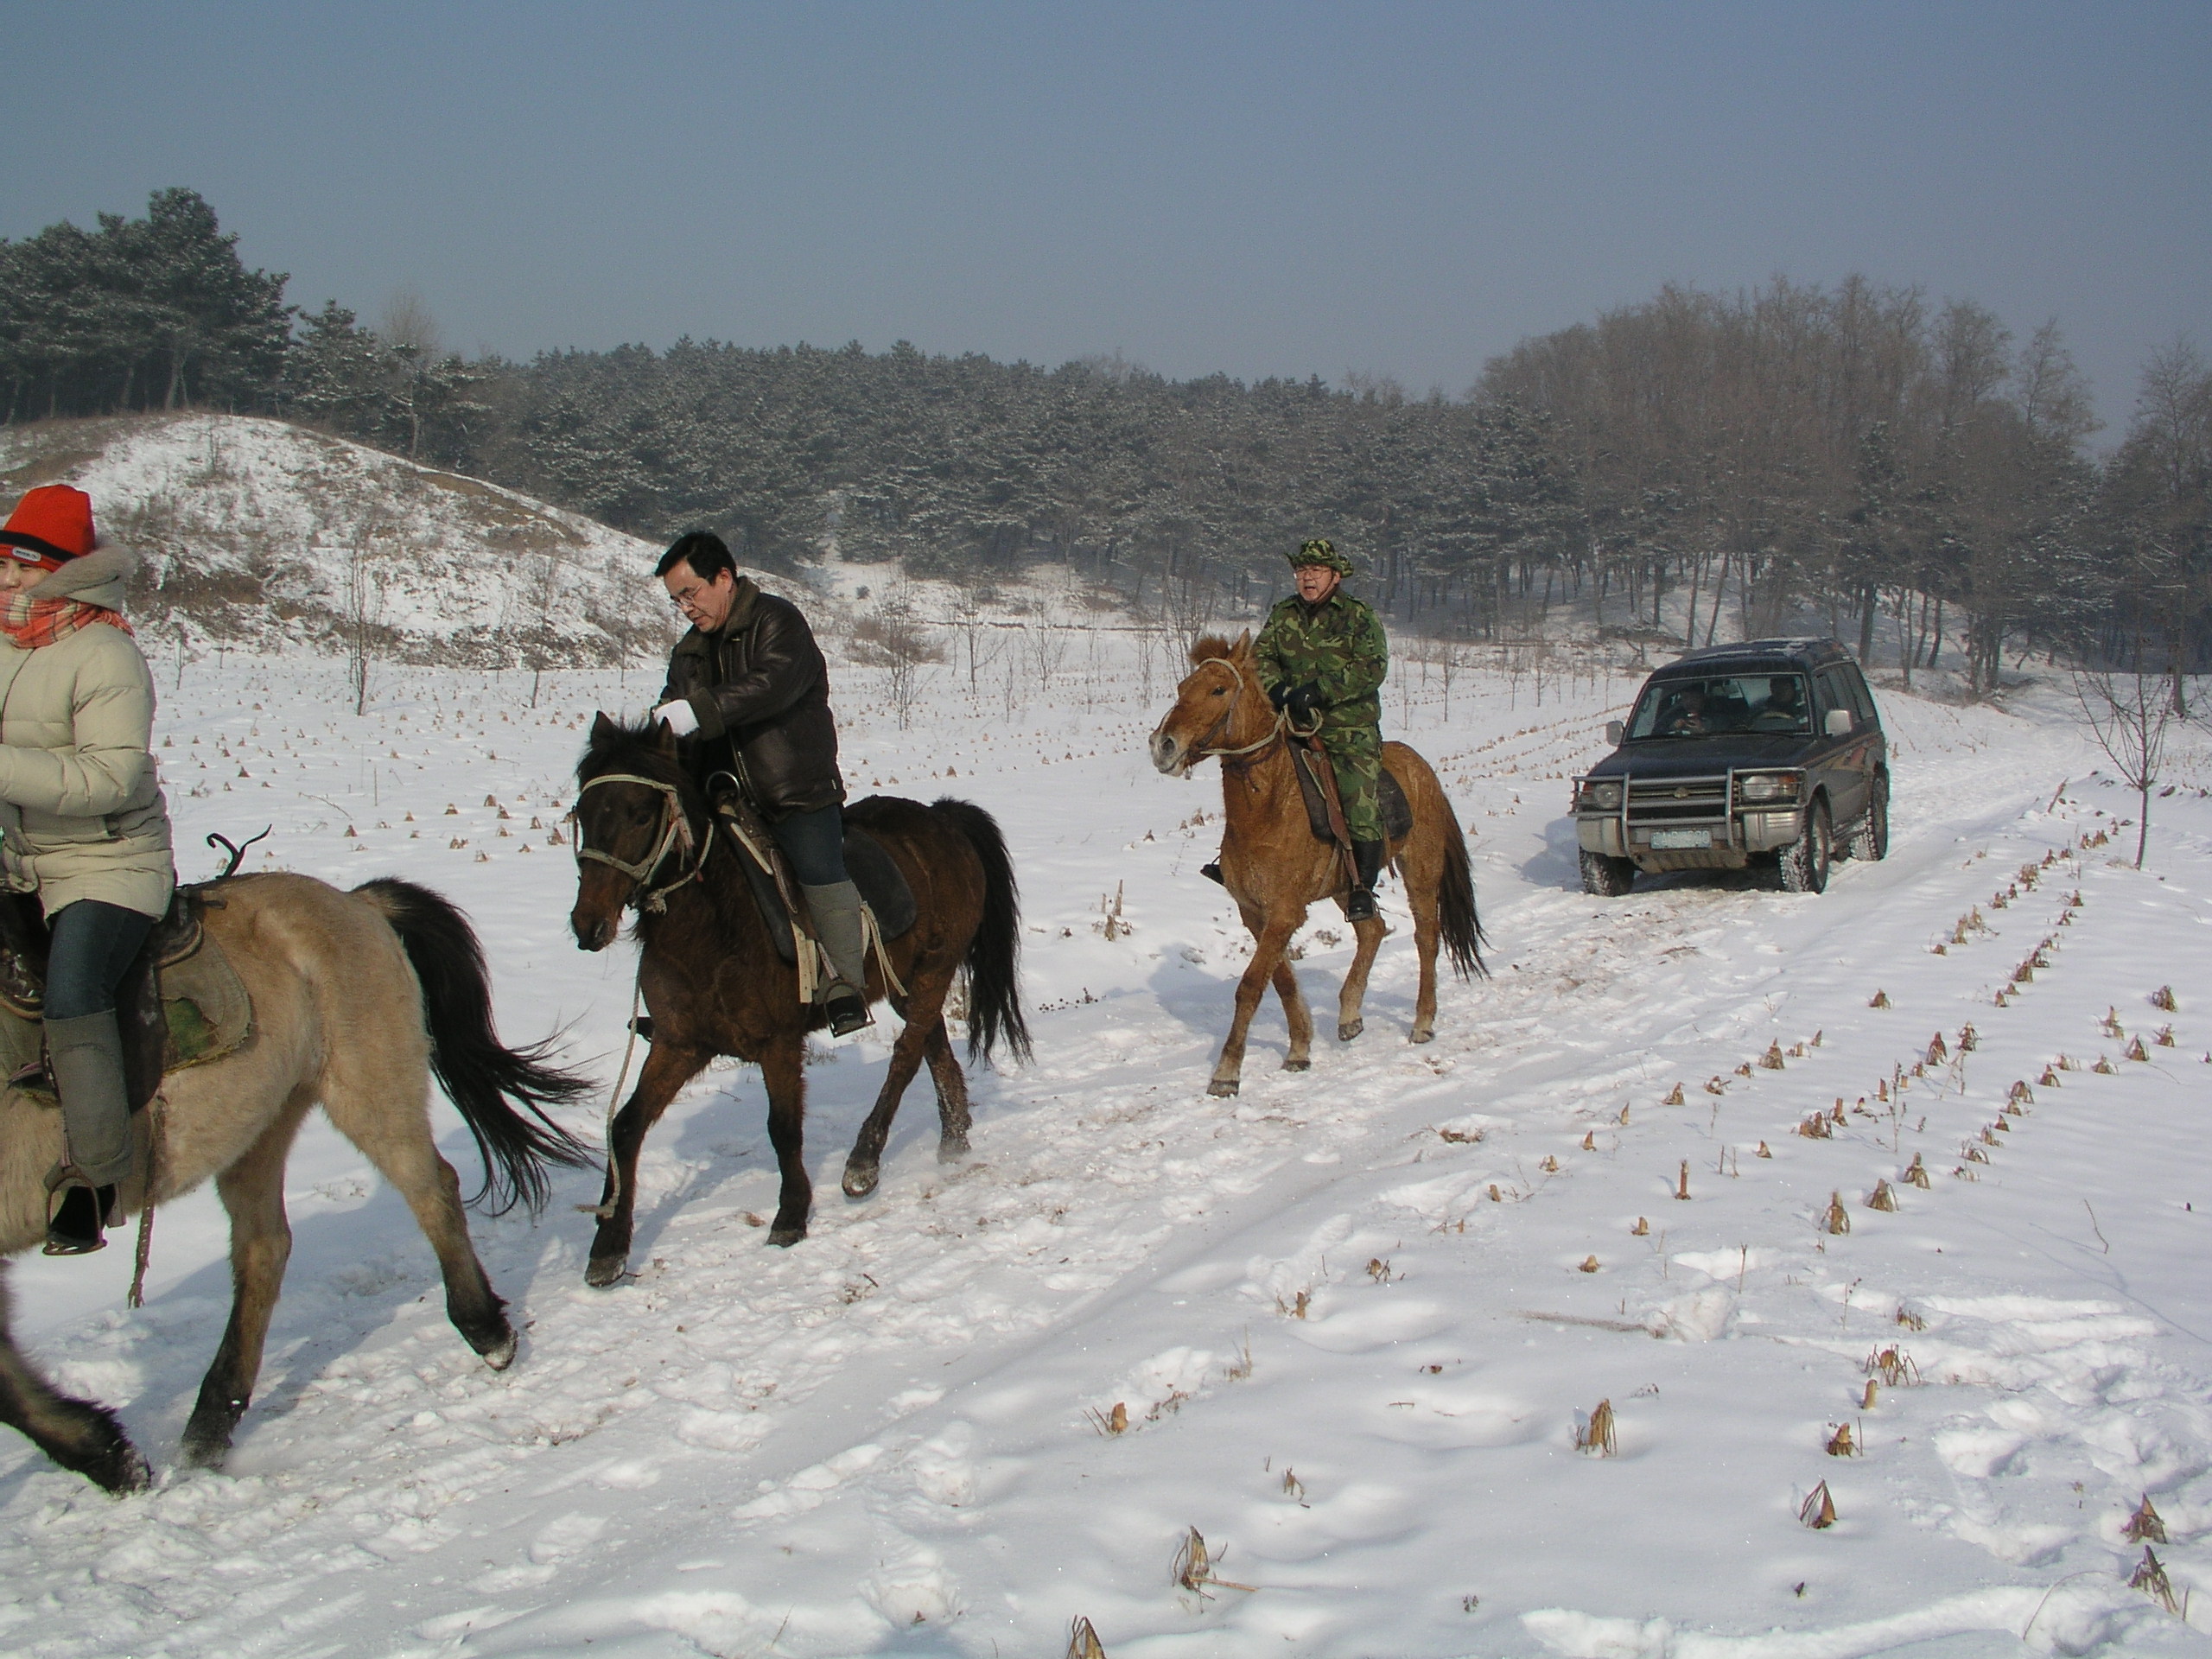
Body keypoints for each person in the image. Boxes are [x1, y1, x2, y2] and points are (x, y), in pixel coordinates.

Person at [0, 486, 175, 1254]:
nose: (6, 577)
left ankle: (95, 1178)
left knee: (76, 990)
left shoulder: (107, 653)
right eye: (2, 561)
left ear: (66, 573)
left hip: (107, 862)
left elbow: (108, 780)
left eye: (21, 564)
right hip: (18, 857)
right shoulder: (3, 638)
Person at [650, 531, 872, 1036]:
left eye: (691, 593)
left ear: (723, 578)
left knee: (818, 870)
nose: (685, 608)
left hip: (794, 791)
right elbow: (672, 707)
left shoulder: (778, 622)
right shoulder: (689, 652)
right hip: (721, 796)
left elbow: (770, 686)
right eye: (675, 600)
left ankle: (842, 984)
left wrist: (699, 711)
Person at [1253, 538, 1390, 921]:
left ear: (1335, 575)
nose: (1307, 577)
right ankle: (1235, 864)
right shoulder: (1283, 614)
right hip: (1290, 724)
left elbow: (1371, 667)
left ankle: (1362, 888)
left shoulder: (1359, 616)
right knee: (1252, 779)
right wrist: (1278, 688)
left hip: (1347, 728)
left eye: (1315, 570)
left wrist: (1321, 691)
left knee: (1357, 799)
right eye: (1301, 571)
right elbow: (1261, 655)